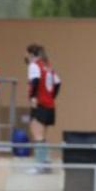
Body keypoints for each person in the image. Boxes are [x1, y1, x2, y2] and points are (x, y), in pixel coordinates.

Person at [25, 44, 61, 173]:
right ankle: (45, 162)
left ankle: (40, 165)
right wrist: (51, 97)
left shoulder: (34, 65)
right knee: (42, 135)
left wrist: (33, 97)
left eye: (27, 54)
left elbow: (35, 81)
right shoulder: (48, 66)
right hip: (49, 105)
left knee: (37, 134)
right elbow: (58, 83)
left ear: (31, 54)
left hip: (40, 104)